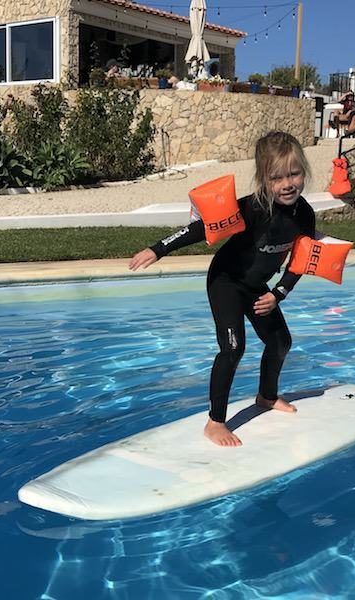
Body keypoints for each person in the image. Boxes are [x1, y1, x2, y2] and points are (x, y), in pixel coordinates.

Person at [128, 131, 316, 447]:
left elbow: (302, 260)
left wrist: (277, 293)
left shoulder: (304, 215)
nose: (287, 184)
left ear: (304, 172)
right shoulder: (251, 210)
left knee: (281, 342)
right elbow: (199, 228)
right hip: (226, 281)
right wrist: (157, 249)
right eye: (277, 177)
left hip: (258, 286)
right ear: (263, 179)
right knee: (233, 348)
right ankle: (215, 422)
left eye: (294, 174)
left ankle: (267, 396)